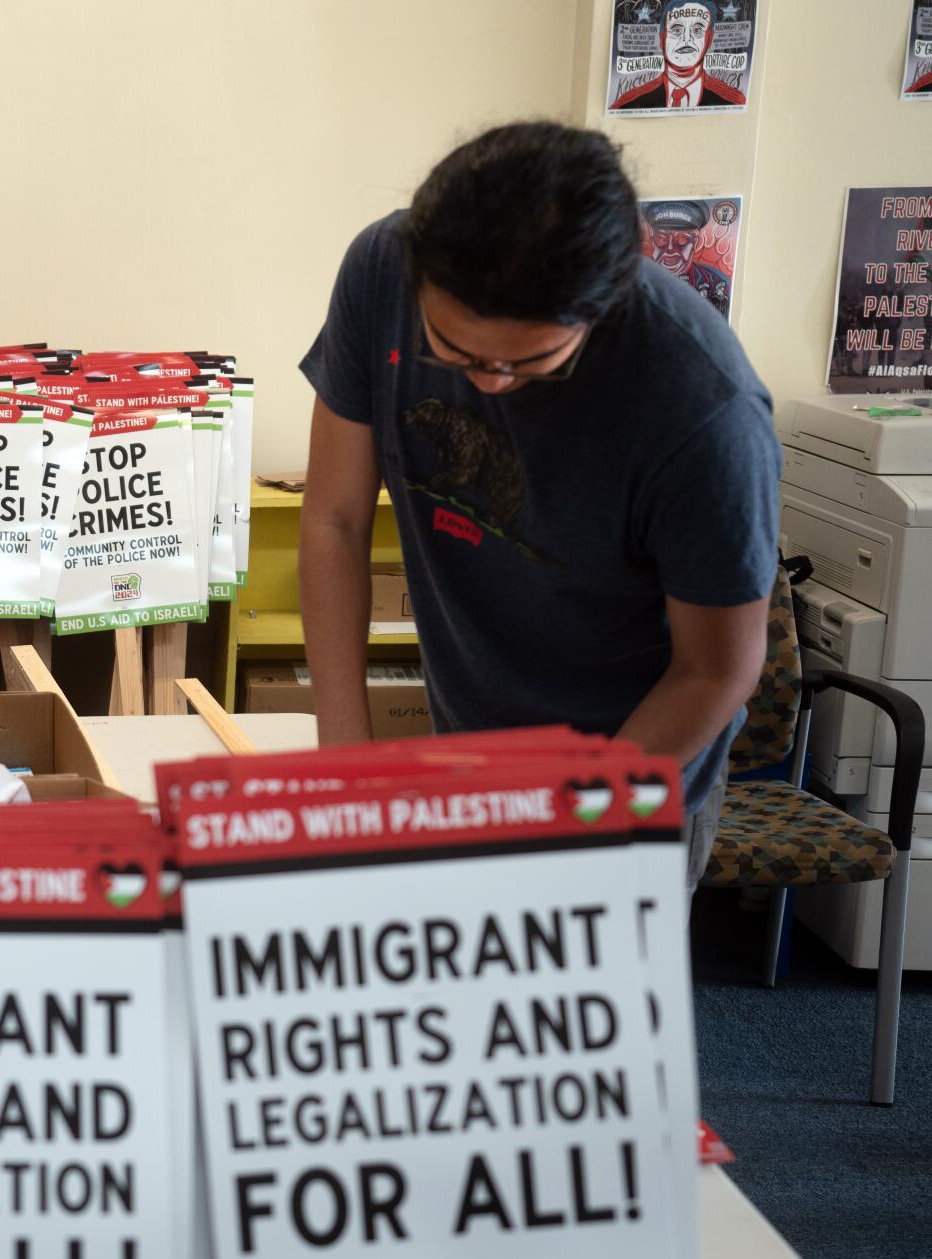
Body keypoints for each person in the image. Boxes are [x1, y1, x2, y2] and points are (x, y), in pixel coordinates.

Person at [297, 120, 780, 887]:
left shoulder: (702, 408)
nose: (488, 381)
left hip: (631, 763)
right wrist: (347, 764)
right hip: (466, 738)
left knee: (584, 1005)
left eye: (530, 362)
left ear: (606, 302)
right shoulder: (379, 273)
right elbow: (335, 520)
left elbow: (718, 670)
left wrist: (570, 824)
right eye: (454, 351)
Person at [610, 1, 746, 112]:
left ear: (709, 39)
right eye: (677, 30)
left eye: (698, 30)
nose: (687, 39)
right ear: (662, 39)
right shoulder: (627, 104)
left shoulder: (734, 102)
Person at [642, 199, 733, 318]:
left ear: (695, 243)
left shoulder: (716, 282)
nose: (670, 249)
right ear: (652, 240)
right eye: (661, 238)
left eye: (681, 239)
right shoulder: (634, 278)